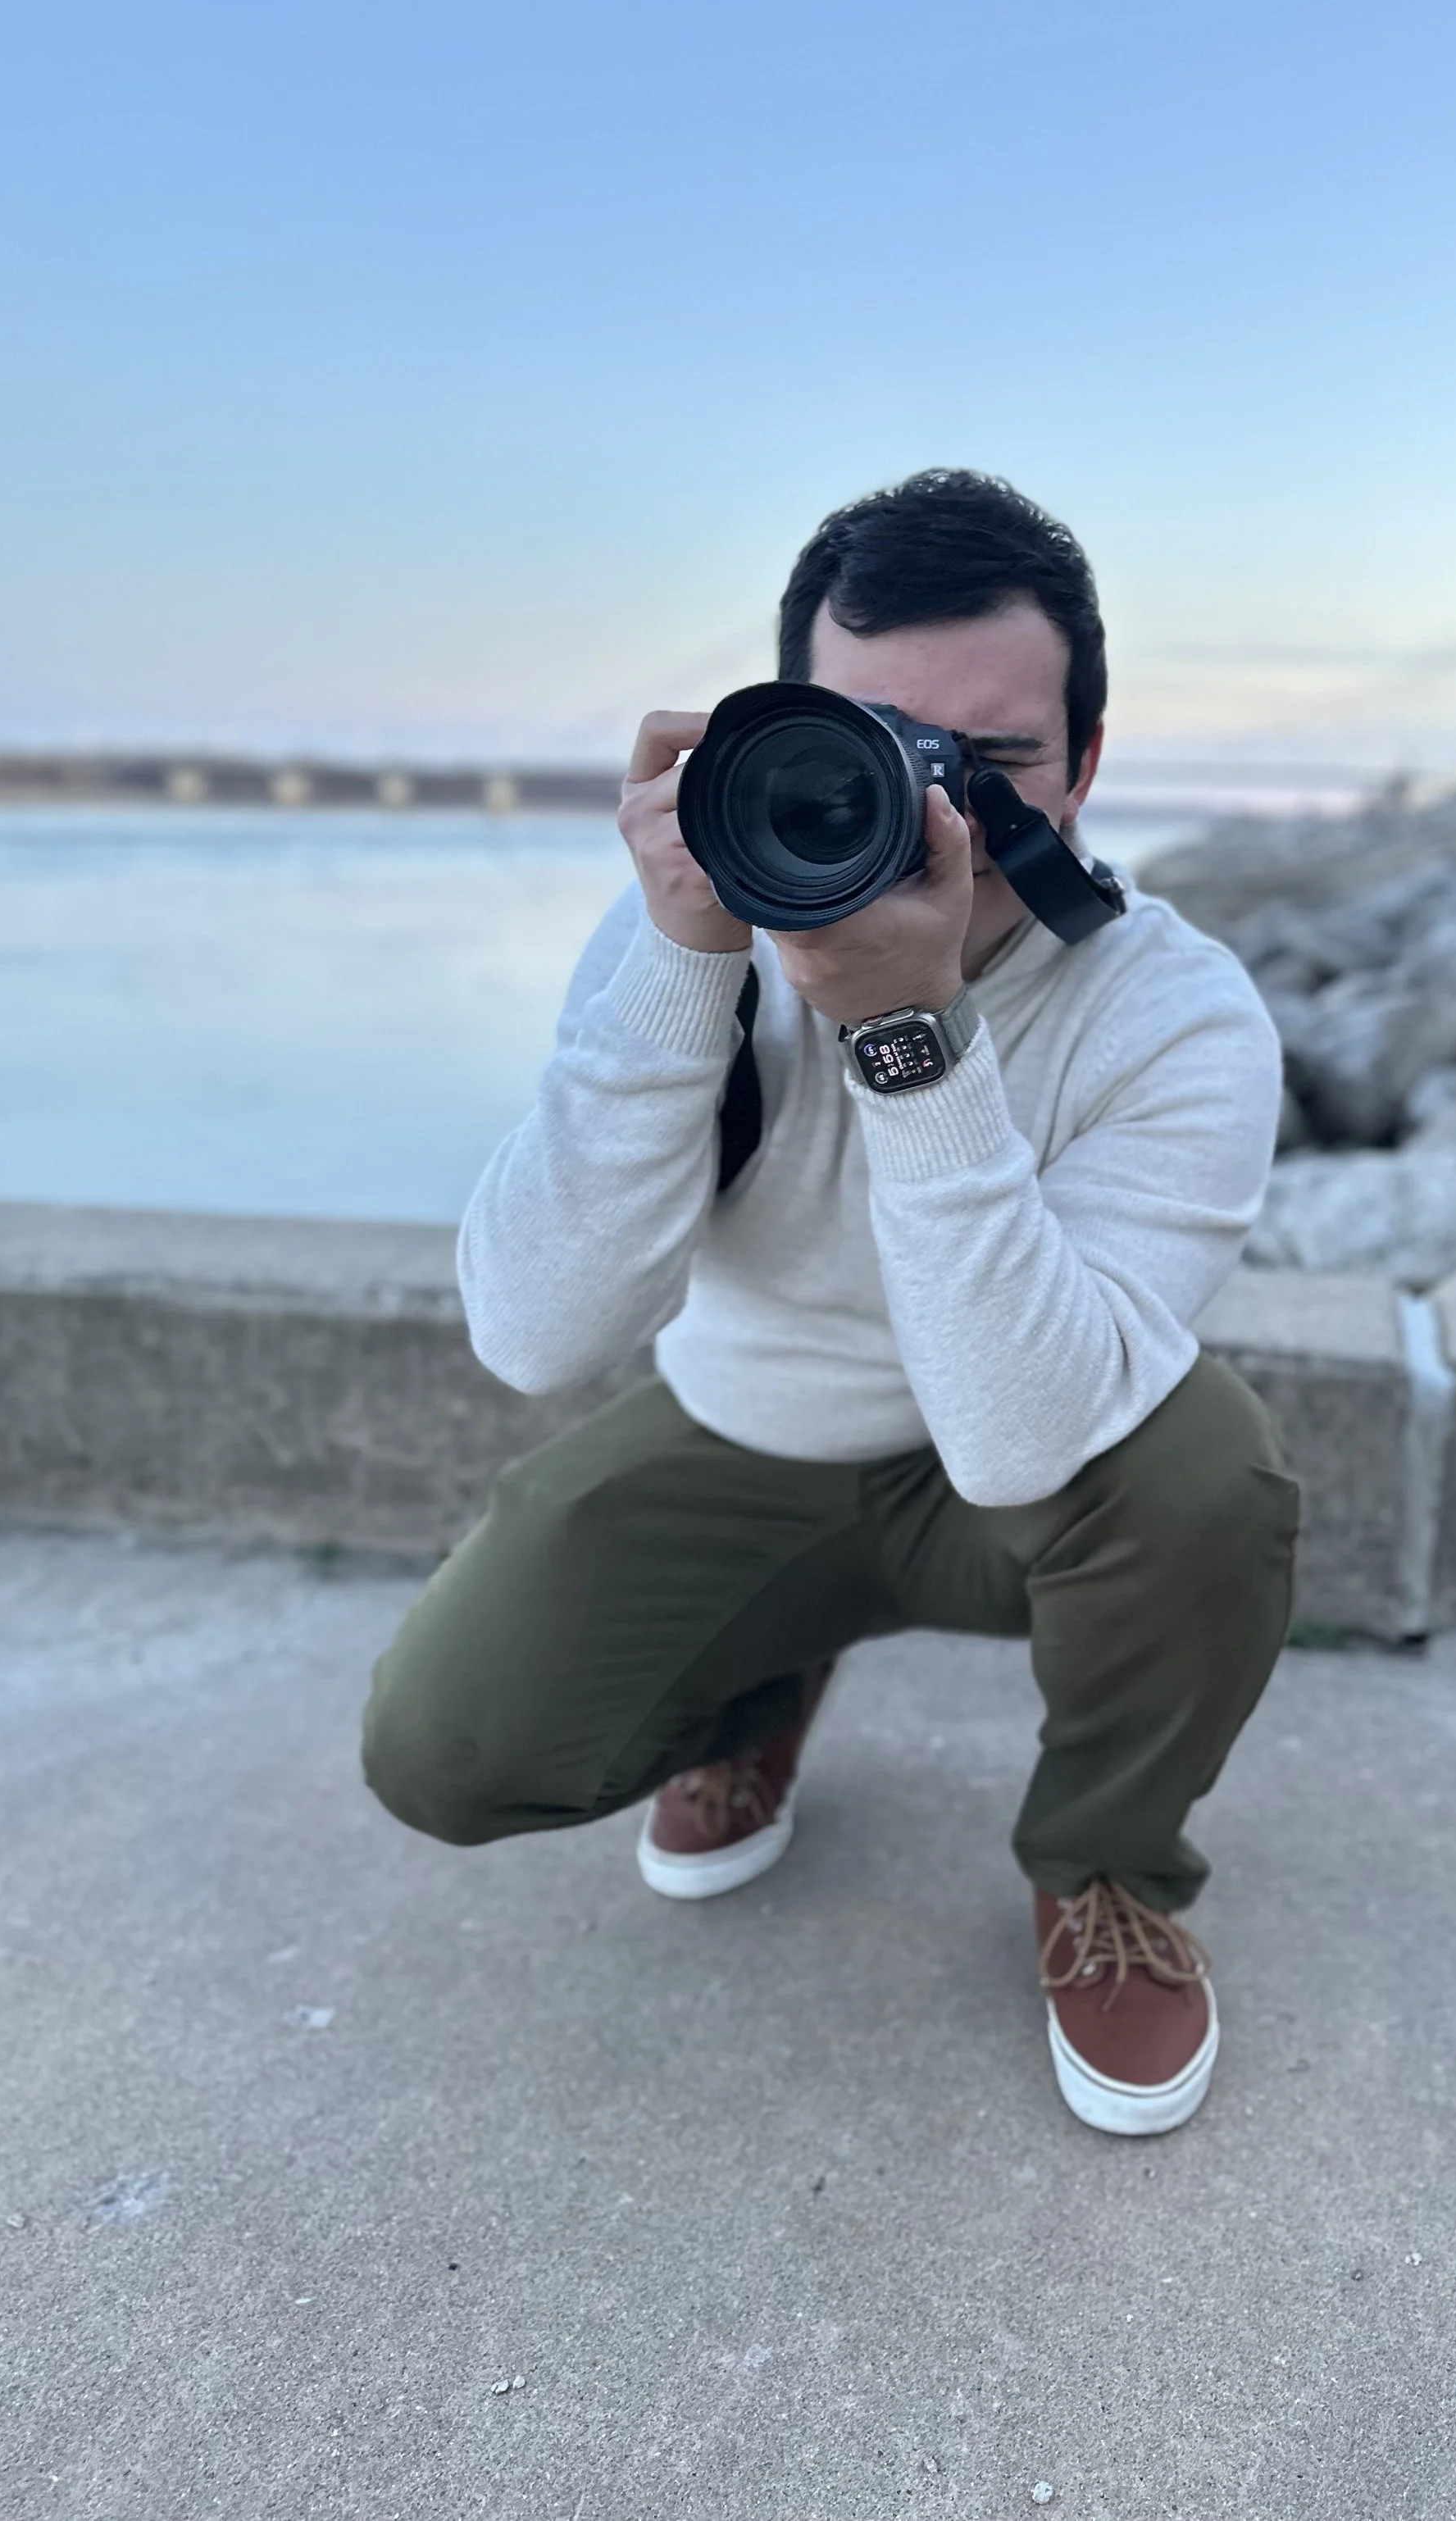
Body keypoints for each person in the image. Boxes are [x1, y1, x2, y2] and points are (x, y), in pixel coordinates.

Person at [362, 468, 1298, 2136]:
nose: (936, 809)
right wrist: (680, 959)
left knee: (1209, 1477)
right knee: (445, 1746)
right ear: (779, 725)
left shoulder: (1179, 1015)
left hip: (1026, 1474)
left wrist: (907, 1034)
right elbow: (532, 1335)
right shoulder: (686, 929)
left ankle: (1104, 1867)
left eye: (994, 759)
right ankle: (757, 1682)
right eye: (881, 744)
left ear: (1085, 764)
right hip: (746, 1435)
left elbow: (1017, 1443)